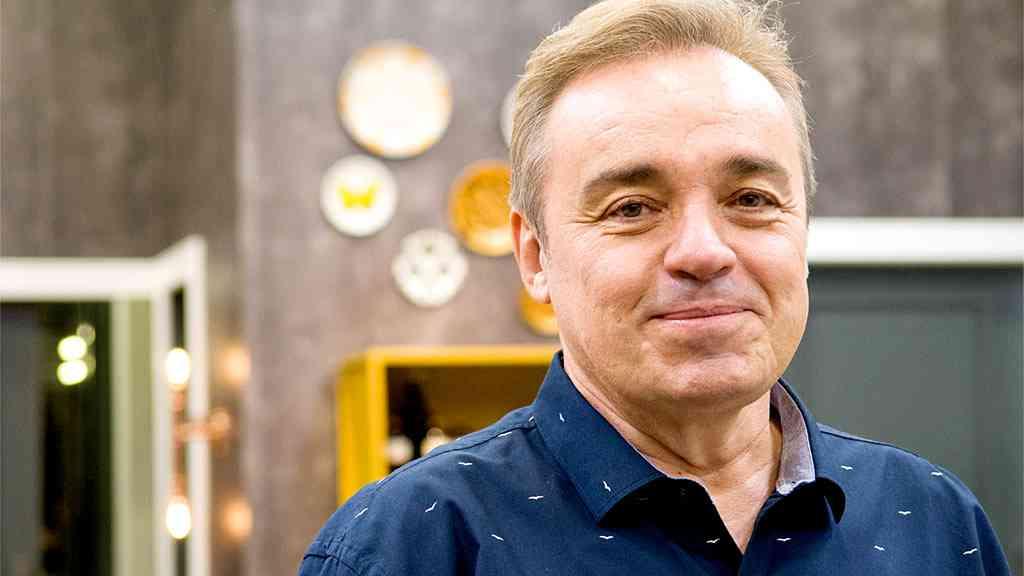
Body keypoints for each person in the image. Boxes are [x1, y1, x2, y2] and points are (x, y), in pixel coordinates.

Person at [299, 1, 1011, 573]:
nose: (703, 252)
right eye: (632, 208)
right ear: (535, 255)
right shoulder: (407, 547)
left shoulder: (935, 524)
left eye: (752, 199)